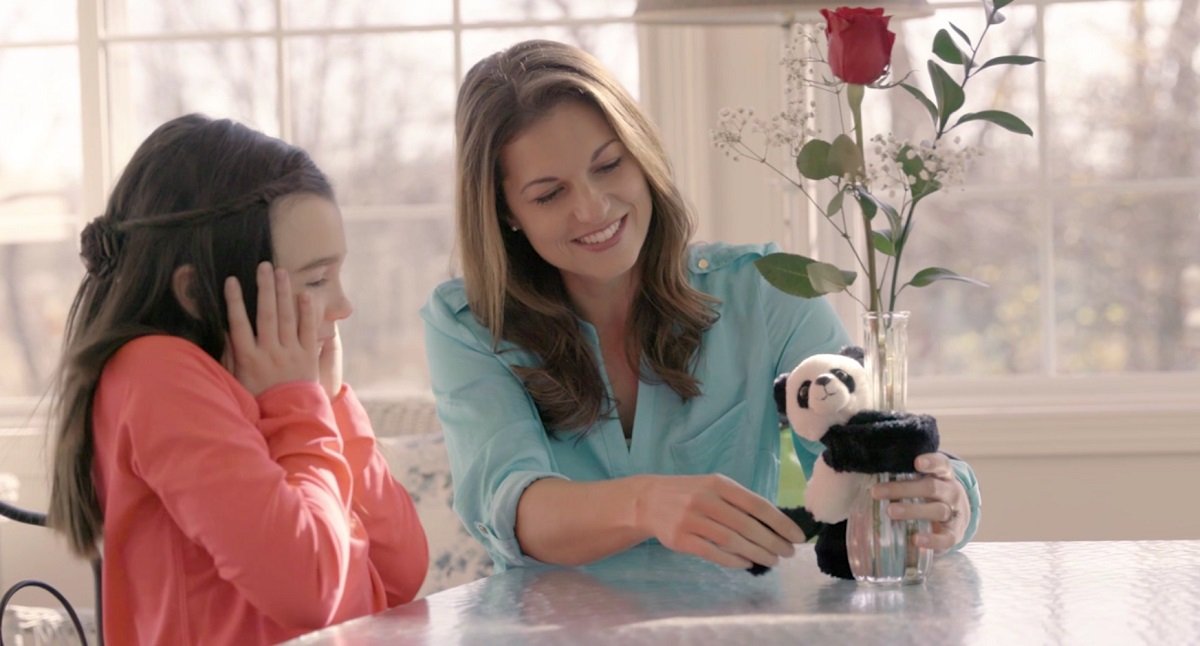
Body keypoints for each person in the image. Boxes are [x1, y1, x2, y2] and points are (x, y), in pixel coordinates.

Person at [422, 39, 980, 573]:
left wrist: (942, 496)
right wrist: (646, 504)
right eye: (549, 194)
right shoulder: (468, 325)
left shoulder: (765, 291)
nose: (592, 208)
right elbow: (510, 507)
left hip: (731, 618)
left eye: (609, 165)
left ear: (641, 155)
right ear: (506, 212)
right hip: (544, 623)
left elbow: (860, 450)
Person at [47, 114, 429, 645]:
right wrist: (299, 407)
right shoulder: (157, 375)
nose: (344, 305)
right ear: (196, 293)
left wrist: (331, 403)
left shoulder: (268, 389)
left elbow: (401, 572)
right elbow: (309, 588)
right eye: (317, 279)